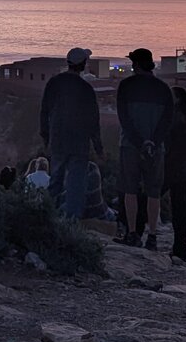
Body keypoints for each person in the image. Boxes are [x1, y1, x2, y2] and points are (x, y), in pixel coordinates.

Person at [116, 47, 175, 247]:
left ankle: (132, 233)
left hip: (129, 146)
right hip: (155, 149)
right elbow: (167, 121)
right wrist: (153, 142)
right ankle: (152, 235)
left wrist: (139, 142)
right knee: (153, 192)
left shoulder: (125, 86)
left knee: (130, 190)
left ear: (136, 65)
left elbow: (124, 119)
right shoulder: (164, 89)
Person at [39, 47, 105, 225]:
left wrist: (45, 137)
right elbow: (93, 121)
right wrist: (99, 148)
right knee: (76, 185)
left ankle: (47, 219)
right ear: (83, 65)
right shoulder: (85, 88)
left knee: (55, 181)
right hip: (79, 143)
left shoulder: (54, 83)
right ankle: (71, 224)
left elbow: (44, 111)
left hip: (58, 140)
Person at [162, 86, 186, 260]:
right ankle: (180, 249)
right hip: (184, 170)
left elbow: (167, 143)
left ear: (177, 99)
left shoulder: (173, 119)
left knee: (148, 198)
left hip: (170, 168)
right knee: (180, 209)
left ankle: (138, 234)